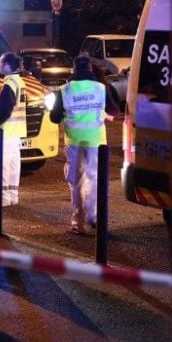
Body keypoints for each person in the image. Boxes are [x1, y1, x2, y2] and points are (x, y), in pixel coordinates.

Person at [50, 54, 115, 235]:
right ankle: (93, 216)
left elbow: (54, 117)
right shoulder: (101, 88)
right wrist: (99, 112)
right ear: (90, 69)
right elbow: (113, 110)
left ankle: (77, 223)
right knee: (95, 179)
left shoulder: (65, 90)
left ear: (73, 69)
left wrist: (66, 113)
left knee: (76, 183)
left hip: (74, 142)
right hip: (97, 142)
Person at [0, 51, 27, 207]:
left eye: (0, 62)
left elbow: (4, 108)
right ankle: (12, 195)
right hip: (16, 130)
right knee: (13, 163)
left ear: (7, 65)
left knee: (0, 164)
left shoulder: (9, 83)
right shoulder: (21, 82)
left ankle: (3, 197)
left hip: (5, 131)